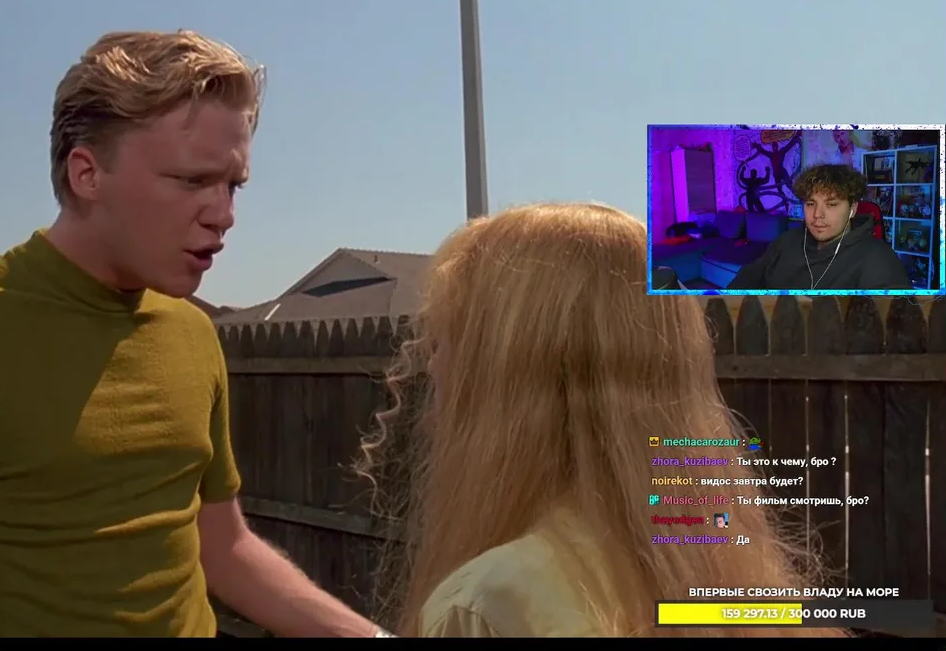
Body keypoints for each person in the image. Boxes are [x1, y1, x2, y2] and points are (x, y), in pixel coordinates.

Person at [0, 30, 387, 638]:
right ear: (87, 174)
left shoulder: (193, 334)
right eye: (191, 181)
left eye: (232, 184)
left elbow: (224, 547)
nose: (224, 214)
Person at [357, 203, 845, 638]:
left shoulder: (489, 605)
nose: (433, 365)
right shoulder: (719, 568)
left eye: (446, 340)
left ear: (503, 372)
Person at [726, 164, 911, 291]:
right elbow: (749, 276)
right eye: (810, 204)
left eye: (831, 204)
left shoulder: (878, 258)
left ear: (852, 209)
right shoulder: (786, 241)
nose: (817, 215)